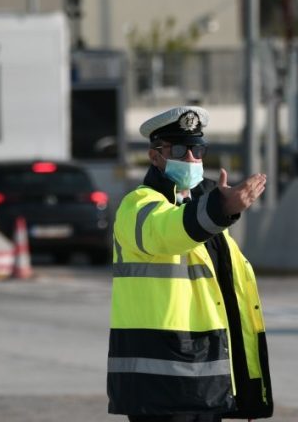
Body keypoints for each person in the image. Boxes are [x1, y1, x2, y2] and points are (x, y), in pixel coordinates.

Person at [107, 106, 274, 422]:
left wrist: (244, 387)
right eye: (181, 150)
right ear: (155, 156)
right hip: (161, 386)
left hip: (203, 381)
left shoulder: (208, 214)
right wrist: (221, 208)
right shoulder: (138, 206)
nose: (191, 159)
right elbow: (168, 231)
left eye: (198, 150)